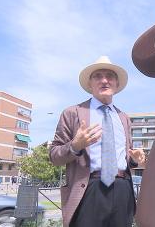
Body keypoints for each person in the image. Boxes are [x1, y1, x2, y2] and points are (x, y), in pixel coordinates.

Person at [49, 56, 145, 227]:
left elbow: (125, 158)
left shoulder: (124, 118)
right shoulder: (73, 113)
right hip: (89, 189)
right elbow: (54, 156)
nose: (104, 80)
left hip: (123, 190)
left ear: (116, 84)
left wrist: (133, 160)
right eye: (98, 76)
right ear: (90, 84)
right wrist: (75, 146)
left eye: (109, 76)